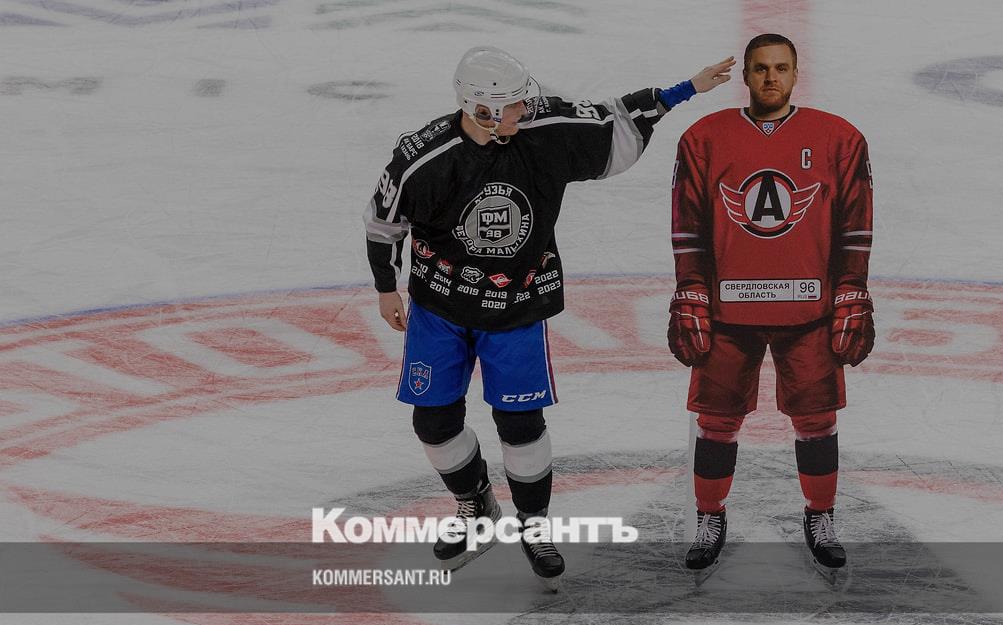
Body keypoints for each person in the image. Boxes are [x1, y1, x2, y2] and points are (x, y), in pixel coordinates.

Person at [365, 46, 733, 590]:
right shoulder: (424, 158)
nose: (526, 108)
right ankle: (475, 504)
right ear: (482, 109)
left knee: (520, 424)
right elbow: (383, 225)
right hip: (440, 309)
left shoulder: (542, 132)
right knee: (433, 423)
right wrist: (384, 288)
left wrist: (687, 88)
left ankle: (533, 524)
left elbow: (613, 119)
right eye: (513, 104)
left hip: (518, 305)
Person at [668, 33, 875, 580]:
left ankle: (821, 516)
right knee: (716, 420)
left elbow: (855, 223)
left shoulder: (839, 138)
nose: (770, 78)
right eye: (760, 68)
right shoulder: (704, 138)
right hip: (726, 311)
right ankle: (709, 517)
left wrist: (851, 288)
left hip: (810, 310)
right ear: (746, 74)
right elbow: (688, 224)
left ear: (796, 72)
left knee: (817, 419)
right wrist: (691, 288)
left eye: (781, 68)